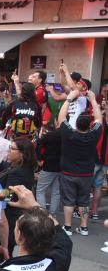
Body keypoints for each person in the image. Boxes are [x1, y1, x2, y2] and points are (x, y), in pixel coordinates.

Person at [56, 88, 102, 235]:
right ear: (89, 125)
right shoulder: (93, 134)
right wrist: (93, 100)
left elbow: (61, 117)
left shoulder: (69, 133)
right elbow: (100, 119)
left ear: (76, 124)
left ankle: (68, 227)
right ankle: (84, 227)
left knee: (69, 200)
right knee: (83, 201)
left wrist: (69, 98)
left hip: (68, 172)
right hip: (86, 173)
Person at [0, 137, 37, 255]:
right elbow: (6, 169)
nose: (8, 151)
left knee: (3, 251)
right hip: (10, 215)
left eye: (12, 149)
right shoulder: (18, 166)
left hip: (10, 217)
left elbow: (11, 196)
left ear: (22, 154)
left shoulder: (20, 172)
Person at [36, 124, 63, 215]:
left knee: (40, 191)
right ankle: (53, 214)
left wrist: (39, 158)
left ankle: (43, 214)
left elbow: (39, 144)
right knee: (56, 192)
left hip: (48, 166)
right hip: (62, 167)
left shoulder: (50, 135)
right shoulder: (69, 135)